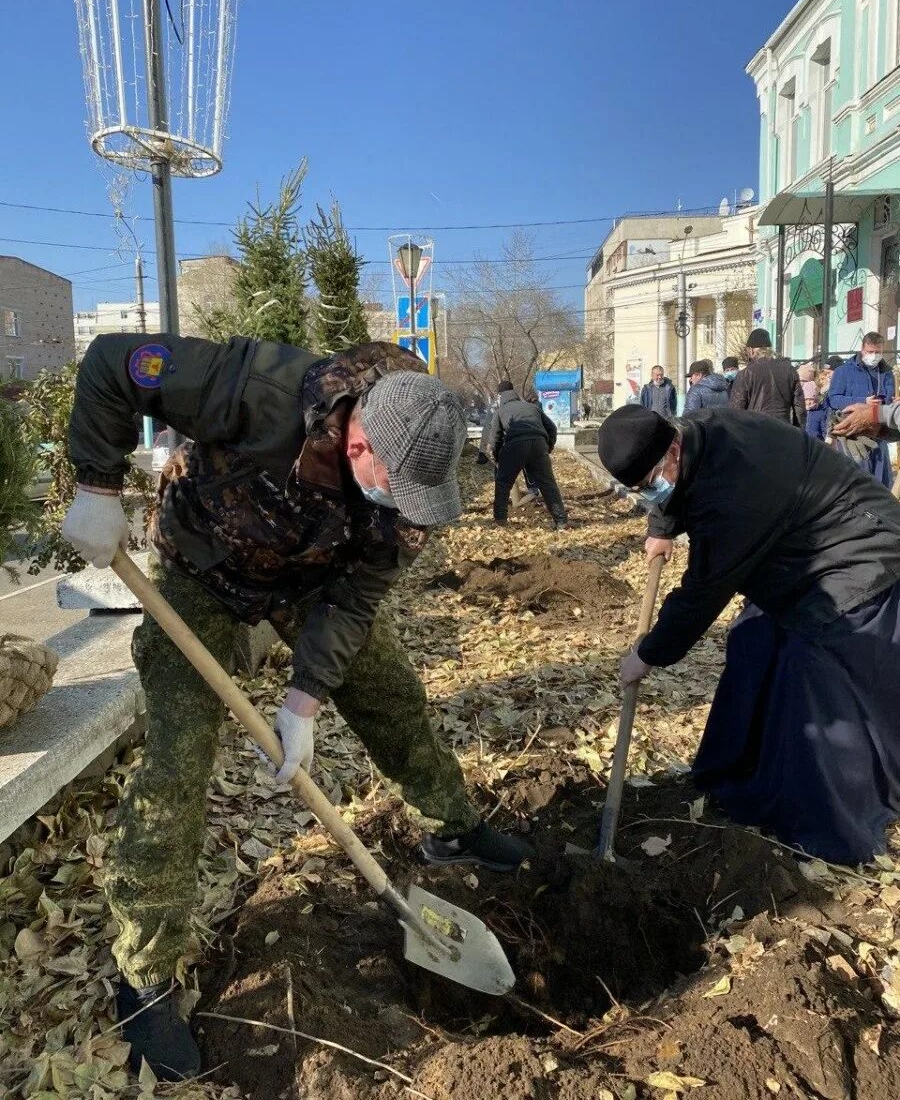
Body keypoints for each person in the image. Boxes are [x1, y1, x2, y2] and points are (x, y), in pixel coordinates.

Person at [62, 335, 531, 1081]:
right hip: (203, 565)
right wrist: (96, 486)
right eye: (395, 485)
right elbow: (116, 364)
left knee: (391, 697)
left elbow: (357, 598)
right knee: (179, 760)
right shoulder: (259, 389)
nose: (407, 507)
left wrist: (303, 700)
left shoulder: (418, 460)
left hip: (317, 575)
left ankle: (454, 826)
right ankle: (144, 970)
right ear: (359, 438)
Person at [596, 404, 900, 867]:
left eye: (649, 485)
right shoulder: (696, 430)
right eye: (637, 491)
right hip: (800, 544)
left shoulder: (734, 492)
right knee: (751, 640)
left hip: (861, 549)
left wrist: (648, 653)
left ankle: (828, 823)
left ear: (673, 451)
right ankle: (735, 773)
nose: (648, 495)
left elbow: (703, 591)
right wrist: (661, 526)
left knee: (808, 665)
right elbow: (672, 496)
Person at [488, 380, 567, 529]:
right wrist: (548, 446)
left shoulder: (500, 412)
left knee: (503, 483)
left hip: (514, 447)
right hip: (539, 445)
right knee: (548, 485)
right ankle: (561, 521)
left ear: (500, 396)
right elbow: (552, 428)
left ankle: (500, 521)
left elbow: (495, 439)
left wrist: (498, 457)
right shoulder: (532, 407)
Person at [825, 331, 895, 488]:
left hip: (878, 434)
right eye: (871, 352)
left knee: (881, 485)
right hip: (853, 436)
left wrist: (884, 404)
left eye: (878, 352)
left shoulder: (887, 372)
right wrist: (863, 402)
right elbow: (834, 399)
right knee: (855, 483)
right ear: (862, 350)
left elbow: (890, 400)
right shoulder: (844, 371)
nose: (874, 356)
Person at [729, 328, 805, 426]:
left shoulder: (746, 373)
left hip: (756, 431)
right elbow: (799, 408)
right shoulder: (789, 370)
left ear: (751, 350)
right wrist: (799, 433)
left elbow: (736, 410)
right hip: (783, 431)